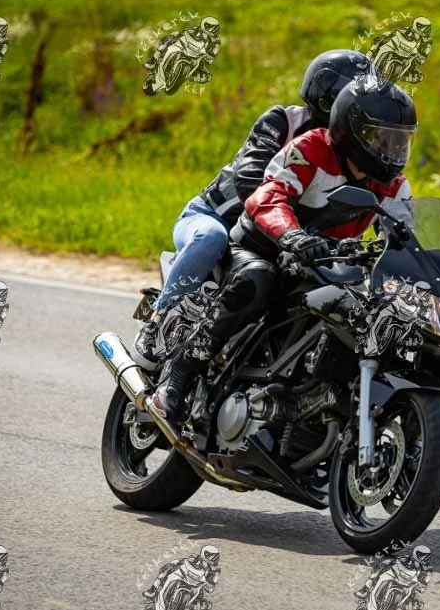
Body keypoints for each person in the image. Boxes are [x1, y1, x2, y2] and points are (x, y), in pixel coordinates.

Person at [148, 76, 417, 421]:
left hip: (323, 262)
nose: (392, 149)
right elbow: (268, 195)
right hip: (261, 246)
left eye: (400, 139)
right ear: (351, 131)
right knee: (257, 279)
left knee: (365, 308)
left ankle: (319, 392)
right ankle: (179, 374)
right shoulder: (311, 149)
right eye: (381, 137)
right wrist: (292, 235)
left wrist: (427, 264)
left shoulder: (394, 185)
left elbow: (405, 235)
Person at [131, 49, 373, 370]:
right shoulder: (283, 121)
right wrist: (291, 229)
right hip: (218, 217)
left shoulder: (352, 151)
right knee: (210, 239)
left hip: (274, 236)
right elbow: (251, 180)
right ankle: (159, 322)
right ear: (327, 98)